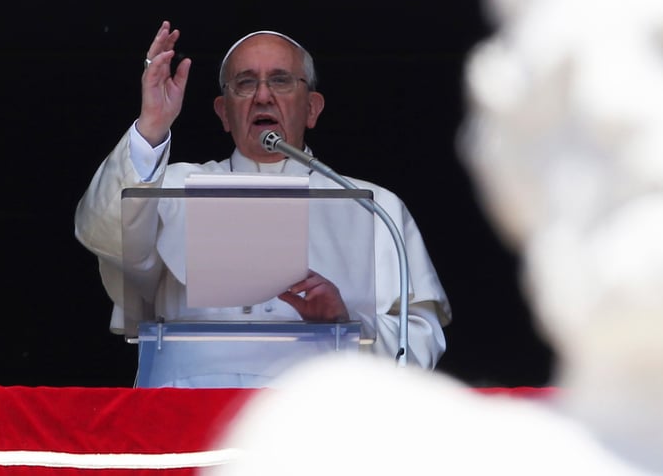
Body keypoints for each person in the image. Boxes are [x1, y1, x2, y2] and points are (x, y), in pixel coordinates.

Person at [75, 21, 451, 385]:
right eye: (245, 83)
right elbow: (102, 233)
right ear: (224, 112)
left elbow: (418, 342)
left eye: (281, 80)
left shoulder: (373, 207)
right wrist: (151, 126)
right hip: (190, 415)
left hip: (316, 415)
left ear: (312, 108)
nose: (263, 95)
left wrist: (348, 322)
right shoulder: (171, 187)